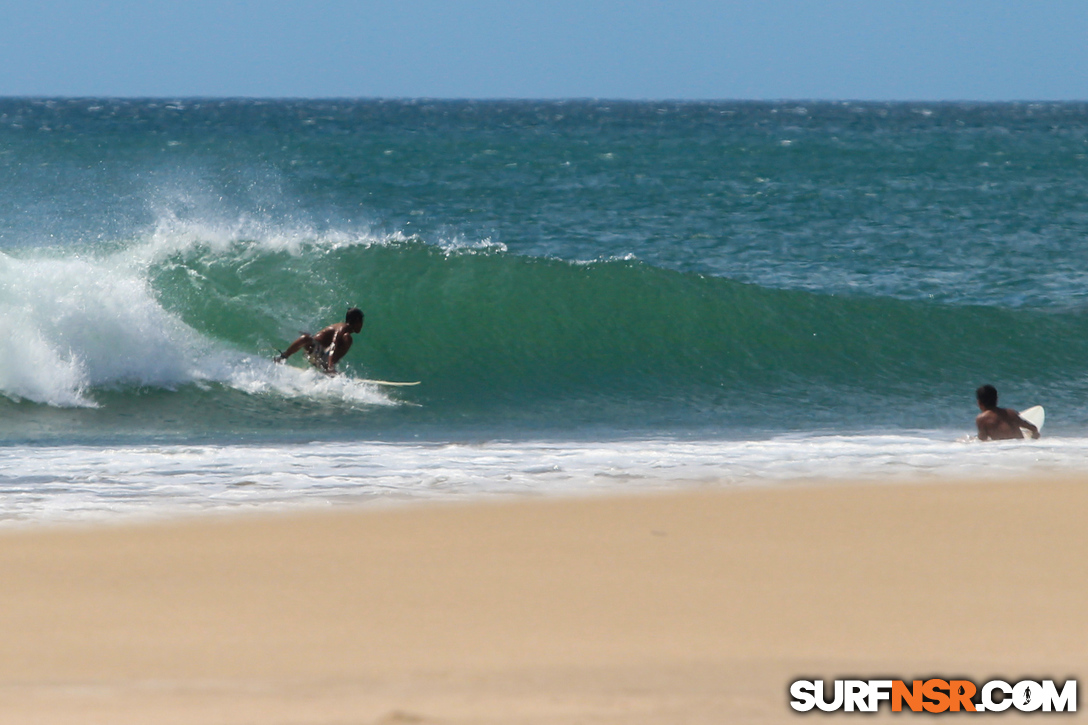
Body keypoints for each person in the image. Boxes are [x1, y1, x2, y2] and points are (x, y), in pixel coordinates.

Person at [274, 307, 364, 375]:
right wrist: (330, 366)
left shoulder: (345, 332)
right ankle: (282, 357)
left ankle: (327, 368)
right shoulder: (342, 328)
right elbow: (334, 344)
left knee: (346, 338)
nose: (361, 325)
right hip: (316, 352)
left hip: (322, 356)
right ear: (357, 321)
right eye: (361, 322)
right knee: (306, 338)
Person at [975, 384, 1039, 441]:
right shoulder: (1011, 413)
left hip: (1004, 448)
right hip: (1020, 446)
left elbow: (983, 439)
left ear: (979, 402)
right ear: (997, 400)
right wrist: (1034, 435)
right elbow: (1033, 428)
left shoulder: (982, 419)